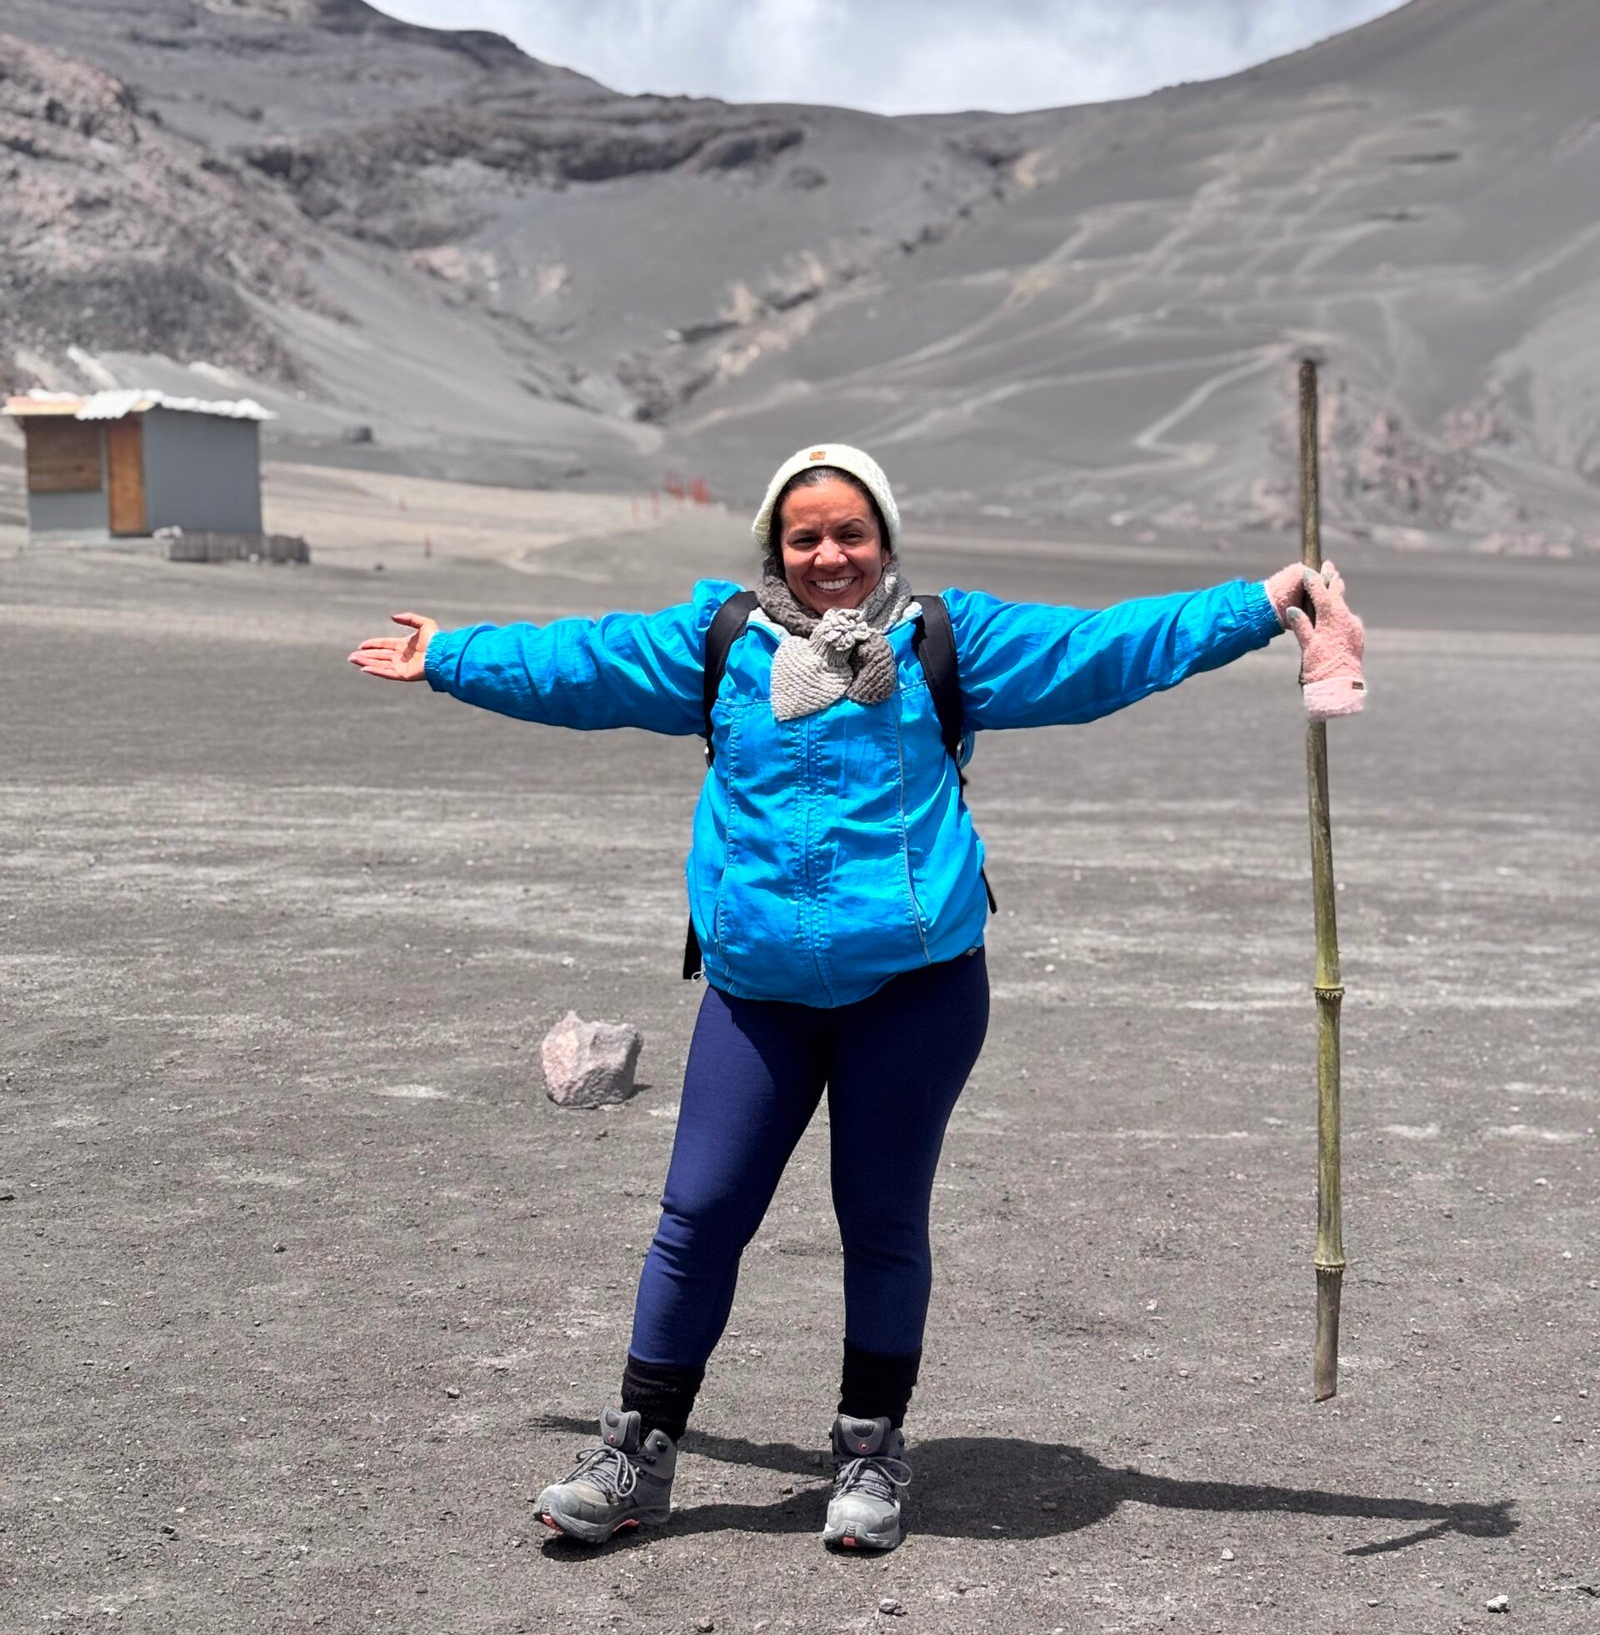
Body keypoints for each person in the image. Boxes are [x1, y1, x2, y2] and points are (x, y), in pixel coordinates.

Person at [348, 443, 1364, 1553]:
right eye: (804, 537)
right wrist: (451, 656)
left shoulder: (945, 641)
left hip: (914, 995)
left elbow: (1107, 648)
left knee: (878, 1223)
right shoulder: (719, 644)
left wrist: (1259, 605)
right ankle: (636, 1448)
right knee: (698, 1217)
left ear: (884, 538)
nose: (829, 555)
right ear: (773, 549)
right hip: (759, 993)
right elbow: (580, 662)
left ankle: (870, 1455)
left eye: (851, 533)